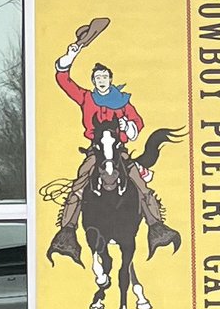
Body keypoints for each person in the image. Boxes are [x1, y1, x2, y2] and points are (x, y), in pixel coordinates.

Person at [45, 14, 179, 264]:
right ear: (93, 82)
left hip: (120, 150)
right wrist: (71, 54)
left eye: (105, 77)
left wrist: (129, 127)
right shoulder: (86, 98)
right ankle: (67, 232)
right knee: (79, 184)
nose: (101, 81)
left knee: (141, 186)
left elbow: (137, 122)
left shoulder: (123, 101)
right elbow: (62, 80)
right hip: (95, 151)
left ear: (110, 79)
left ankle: (156, 226)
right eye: (97, 79)